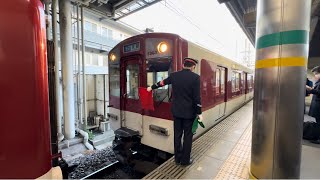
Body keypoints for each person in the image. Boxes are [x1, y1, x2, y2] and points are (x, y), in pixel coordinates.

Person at [147, 57, 203, 166]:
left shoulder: (174, 76)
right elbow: (197, 98)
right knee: (187, 137)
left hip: (176, 112)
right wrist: (199, 112)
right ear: (193, 67)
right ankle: (185, 160)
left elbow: (162, 83)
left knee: (177, 135)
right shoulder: (196, 78)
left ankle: (177, 159)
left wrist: (151, 87)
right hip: (189, 114)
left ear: (183, 65)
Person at [306, 66, 320, 143]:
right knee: (318, 122)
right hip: (317, 105)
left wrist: (311, 90)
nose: (315, 76)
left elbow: (318, 92)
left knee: (319, 123)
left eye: (316, 74)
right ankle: (316, 137)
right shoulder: (318, 82)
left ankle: (318, 139)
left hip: (319, 105)